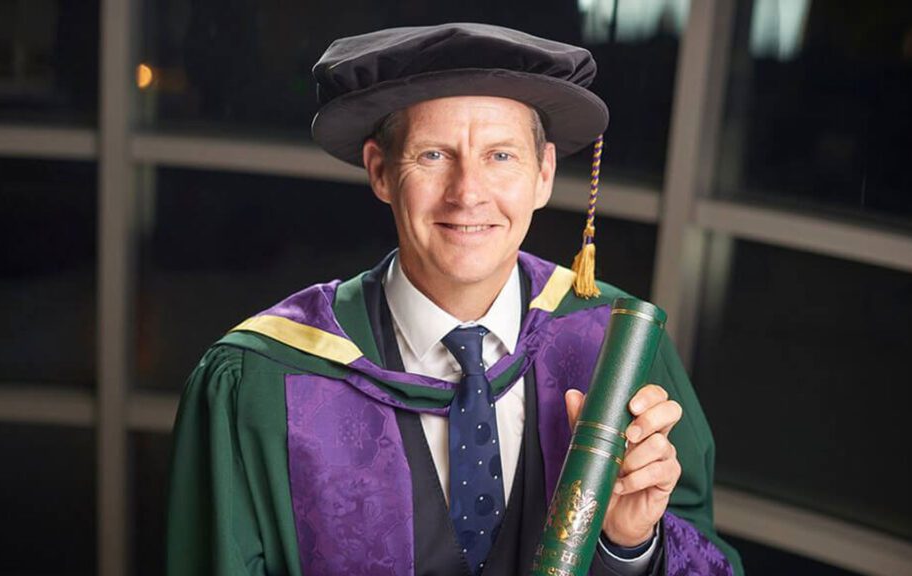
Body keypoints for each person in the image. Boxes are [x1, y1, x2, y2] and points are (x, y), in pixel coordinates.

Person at [167, 23, 744, 576]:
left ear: (543, 175)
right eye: (434, 156)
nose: (468, 193)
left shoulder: (617, 348)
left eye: (501, 156)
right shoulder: (262, 382)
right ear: (381, 172)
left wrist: (631, 546)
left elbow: (703, 552)